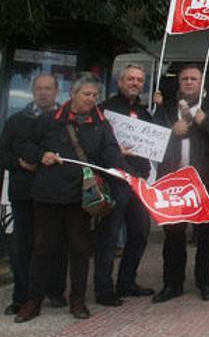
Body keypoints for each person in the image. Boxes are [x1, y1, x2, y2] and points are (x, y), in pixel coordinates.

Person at [15, 73, 131, 322]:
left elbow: (110, 153)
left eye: (94, 95)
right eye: (86, 94)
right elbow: (23, 144)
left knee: (80, 249)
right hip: (48, 195)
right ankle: (33, 300)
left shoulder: (101, 124)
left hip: (81, 198)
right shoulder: (49, 119)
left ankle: (77, 299)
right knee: (42, 249)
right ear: (73, 94)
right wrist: (40, 154)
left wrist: (127, 174)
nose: (91, 99)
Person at [152, 64, 209, 303]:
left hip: (207, 182)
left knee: (207, 236)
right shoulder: (166, 108)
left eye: (193, 79)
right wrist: (170, 131)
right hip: (174, 183)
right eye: (184, 79)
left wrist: (203, 121)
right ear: (179, 83)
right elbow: (151, 139)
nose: (188, 82)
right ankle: (172, 284)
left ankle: (205, 281)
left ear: (201, 83)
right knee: (173, 235)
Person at [0, 75, 67, 315]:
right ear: (32, 91)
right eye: (39, 88)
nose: (44, 93)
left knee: (55, 245)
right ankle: (21, 296)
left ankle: (55, 291)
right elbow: (3, 153)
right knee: (22, 246)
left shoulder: (66, 120)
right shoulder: (16, 121)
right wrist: (18, 162)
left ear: (57, 91)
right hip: (24, 193)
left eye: (48, 88)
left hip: (55, 194)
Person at [93, 65, 155, 306]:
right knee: (108, 238)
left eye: (139, 80)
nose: (135, 83)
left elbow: (153, 145)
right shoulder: (104, 109)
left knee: (140, 234)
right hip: (113, 180)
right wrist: (112, 151)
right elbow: (94, 146)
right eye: (130, 79)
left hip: (138, 181)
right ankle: (104, 289)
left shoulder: (144, 112)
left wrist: (147, 173)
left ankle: (126, 283)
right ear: (120, 82)